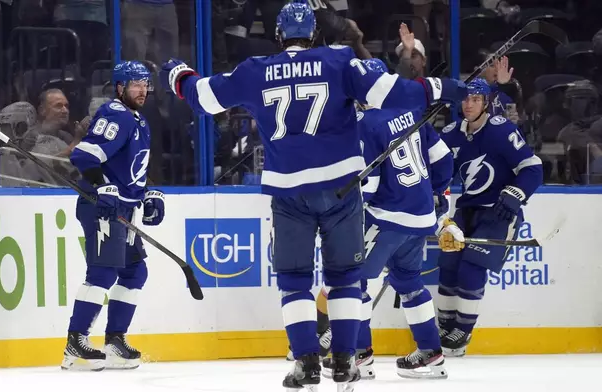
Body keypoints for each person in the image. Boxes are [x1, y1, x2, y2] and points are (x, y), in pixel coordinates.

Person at [161, 0, 467, 389]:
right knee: (344, 279)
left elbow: (202, 97)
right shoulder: (338, 61)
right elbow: (398, 93)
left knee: (294, 281)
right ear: (316, 35)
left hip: (289, 194)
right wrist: (448, 88)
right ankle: (343, 362)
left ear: (278, 35)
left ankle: (305, 362)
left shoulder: (255, 70)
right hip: (341, 190)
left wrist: (178, 75)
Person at [314, 58, 462, 380]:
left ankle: (358, 355)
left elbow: (370, 183)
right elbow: (443, 159)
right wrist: (434, 196)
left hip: (386, 219)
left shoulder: (366, 124)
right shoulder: (414, 115)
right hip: (419, 219)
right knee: (409, 283)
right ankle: (431, 353)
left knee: (354, 281)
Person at [61, 61, 165, 371]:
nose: (142, 89)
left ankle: (114, 341)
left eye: (145, 84)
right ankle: (75, 343)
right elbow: (84, 155)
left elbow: (132, 172)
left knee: (134, 272)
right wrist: (101, 186)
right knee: (103, 273)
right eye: (135, 84)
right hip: (101, 207)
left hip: (123, 208)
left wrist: (147, 194)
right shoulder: (115, 114)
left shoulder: (139, 121)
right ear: (120, 88)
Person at [436, 78, 543, 357]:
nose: (468, 104)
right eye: (465, 99)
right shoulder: (451, 134)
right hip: (466, 209)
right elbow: (432, 168)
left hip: (498, 211)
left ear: (486, 103)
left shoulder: (500, 131)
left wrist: (516, 193)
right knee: (448, 266)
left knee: (471, 269)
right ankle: (444, 327)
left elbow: (532, 168)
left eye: (475, 99)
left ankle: (462, 330)